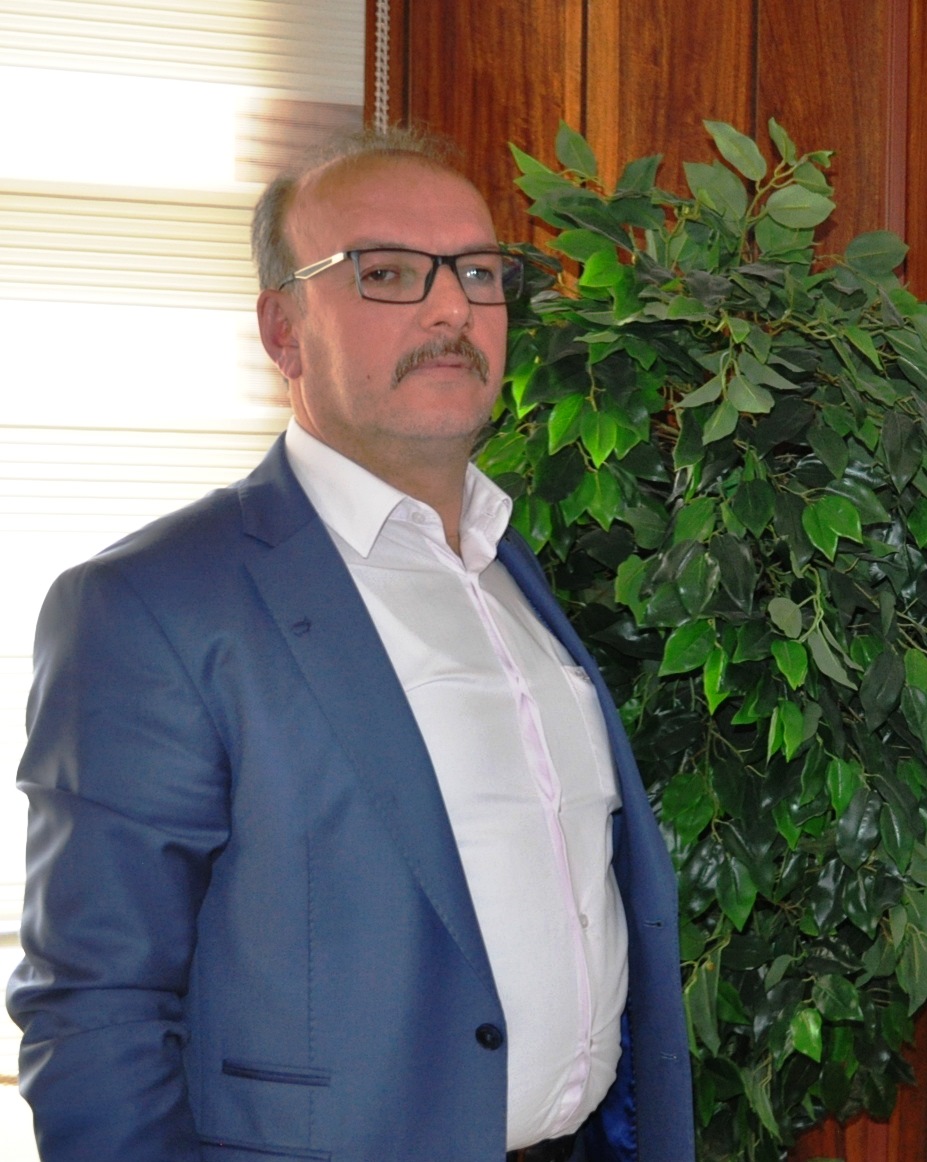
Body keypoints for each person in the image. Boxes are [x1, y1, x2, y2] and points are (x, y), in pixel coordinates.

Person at [7, 128, 692, 1162]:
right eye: (388, 272)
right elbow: (97, 1010)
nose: (452, 309)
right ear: (282, 331)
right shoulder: (150, 607)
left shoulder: (509, 570)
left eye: (478, 272)